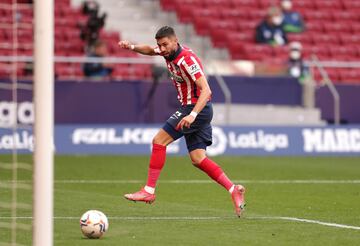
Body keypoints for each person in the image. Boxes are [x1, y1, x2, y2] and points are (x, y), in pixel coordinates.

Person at [118, 26, 246, 217]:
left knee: (158, 141)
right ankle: (233, 189)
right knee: (198, 159)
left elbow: (207, 90)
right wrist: (132, 47)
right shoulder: (166, 52)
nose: (161, 49)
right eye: (159, 45)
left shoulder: (187, 59)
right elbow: (149, 50)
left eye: (165, 44)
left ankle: (149, 191)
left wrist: (192, 114)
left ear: (175, 40)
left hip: (195, 109)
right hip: (195, 110)